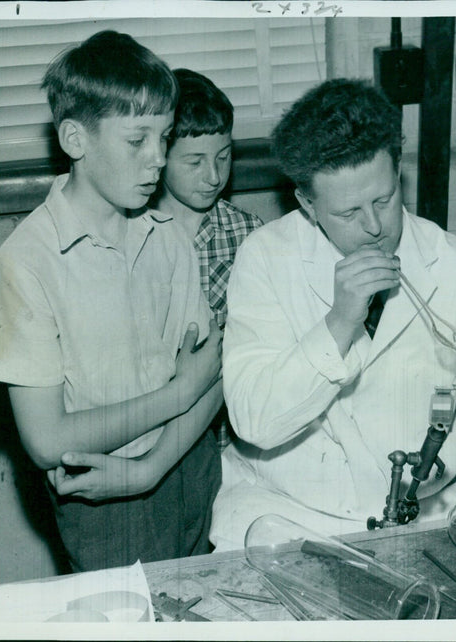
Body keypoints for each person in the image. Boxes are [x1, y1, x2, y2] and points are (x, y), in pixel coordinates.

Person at [210, 78, 456, 551]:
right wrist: (339, 323)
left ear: (398, 173)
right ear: (307, 205)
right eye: (348, 213)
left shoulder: (450, 262)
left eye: (384, 200)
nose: (374, 227)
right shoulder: (265, 259)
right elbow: (255, 421)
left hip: (424, 513)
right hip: (287, 518)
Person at [0, 31, 224, 572]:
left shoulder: (168, 237)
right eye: (137, 140)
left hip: (188, 464)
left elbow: (214, 374)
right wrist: (178, 393)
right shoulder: (25, 264)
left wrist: (156, 461)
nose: (158, 159)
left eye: (164, 137)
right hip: (102, 497)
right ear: (75, 138)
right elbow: (48, 442)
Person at [158, 68, 263, 447]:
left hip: (230, 435)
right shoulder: (135, 234)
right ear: (159, 155)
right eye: (194, 162)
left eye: (223, 156)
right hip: (152, 429)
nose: (214, 176)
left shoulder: (248, 234)